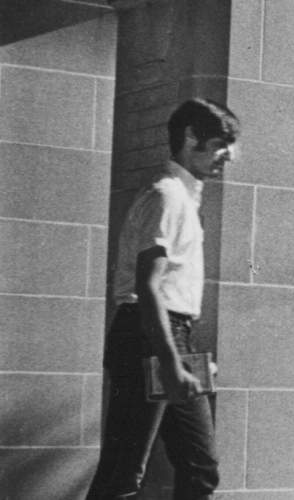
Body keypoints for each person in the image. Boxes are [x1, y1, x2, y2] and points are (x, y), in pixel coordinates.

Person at [86, 98, 240, 500]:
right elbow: (148, 286)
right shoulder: (167, 196)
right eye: (222, 143)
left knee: (200, 468)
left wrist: (181, 355)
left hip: (171, 334)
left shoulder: (185, 199)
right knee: (123, 473)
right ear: (191, 138)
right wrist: (171, 362)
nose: (231, 156)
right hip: (147, 334)